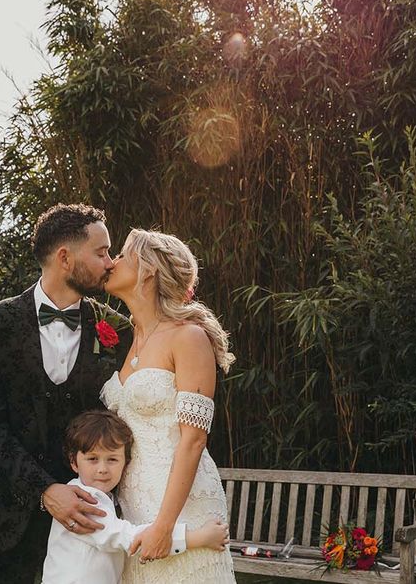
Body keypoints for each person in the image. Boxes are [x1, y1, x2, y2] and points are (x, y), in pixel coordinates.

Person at [0, 204, 133, 584]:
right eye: (102, 251)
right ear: (65, 257)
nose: (110, 262)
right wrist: (45, 491)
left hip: (88, 528)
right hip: (6, 523)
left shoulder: (117, 329)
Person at [101, 229, 237, 583]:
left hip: (182, 509)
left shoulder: (188, 337)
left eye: (123, 255)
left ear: (148, 270)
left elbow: (193, 440)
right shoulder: (131, 340)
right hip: (133, 510)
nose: (111, 262)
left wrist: (165, 526)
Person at [42, 410, 229, 583]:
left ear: (126, 463)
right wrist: (198, 538)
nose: (102, 469)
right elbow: (128, 538)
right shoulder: (81, 501)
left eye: (112, 459)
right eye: (92, 459)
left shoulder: (106, 497)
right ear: (74, 463)